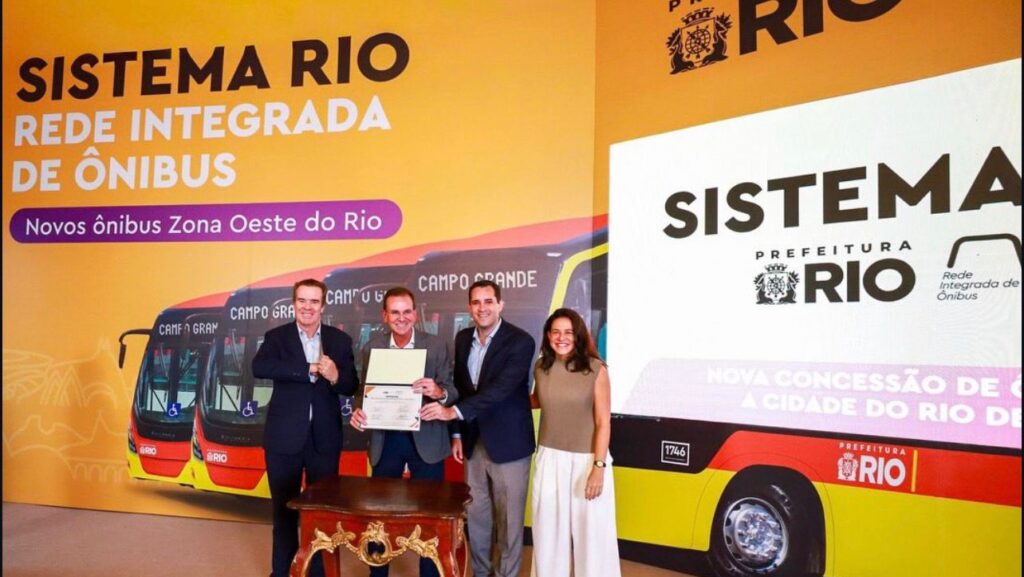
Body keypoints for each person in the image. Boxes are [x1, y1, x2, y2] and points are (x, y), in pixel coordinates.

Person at [420, 280, 536, 577]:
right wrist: (457, 432)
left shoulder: (520, 341)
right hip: (473, 441)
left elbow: (500, 390)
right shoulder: (462, 339)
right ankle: (481, 573)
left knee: (509, 521)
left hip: (509, 444)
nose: (482, 308)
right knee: (477, 516)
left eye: (488, 301)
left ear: (500, 305)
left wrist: (452, 412)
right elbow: (461, 387)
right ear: (469, 307)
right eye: (476, 302)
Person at [252, 278, 358, 577]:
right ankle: (281, 572)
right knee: (283, 512)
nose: (307, 307)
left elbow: (351, 385)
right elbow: (260, 367)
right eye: (302, 300)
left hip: (324, 440)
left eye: (314, 301)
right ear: (293, 304)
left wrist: (335, 375)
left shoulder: (339, 340)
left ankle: (317, 573)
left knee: (322, 514)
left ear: (323, 306)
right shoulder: (277, 337)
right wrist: (307, 369)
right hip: (283, 439)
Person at [349, 286, 458, 577]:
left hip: (428, 438)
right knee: (379, 516)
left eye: (407, 311)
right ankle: (377, 573)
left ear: (415, 314)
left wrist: (438, 392)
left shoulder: (437, 345)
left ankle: (429, 574)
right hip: (386, 439)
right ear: (385, 316)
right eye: (395, 312)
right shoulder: (371, 347)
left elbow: (453, 389)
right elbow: (363, 391)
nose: (401, 318)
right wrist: (358, 410)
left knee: (429, 515)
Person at [530, 308, 620, 577]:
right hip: (549, 458)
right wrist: (499, 396)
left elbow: (603, 422)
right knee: (547, 535)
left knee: (592, 538)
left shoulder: (596, 369)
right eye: (556, 332)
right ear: (548, 335)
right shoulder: (541, 367)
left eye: (568, 332)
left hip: (587, 460)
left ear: (578, 335)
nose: (562, 338)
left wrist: (598, 467)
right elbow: (539, 400)